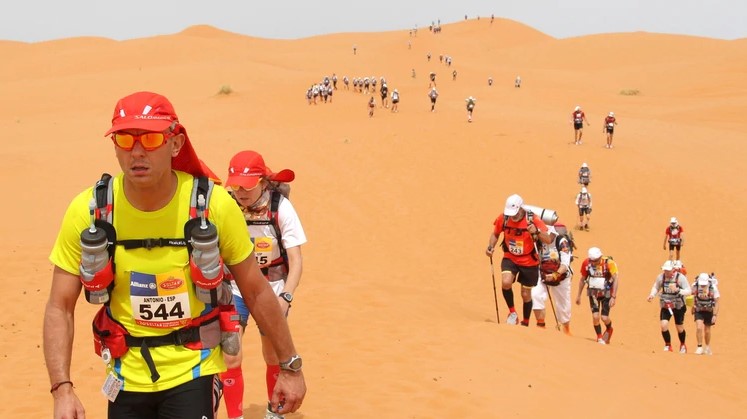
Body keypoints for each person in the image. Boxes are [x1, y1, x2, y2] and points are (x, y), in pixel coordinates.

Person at [43, 91, 306, 418]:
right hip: (125, 376)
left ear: (176, 144)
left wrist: (290, 366)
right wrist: (61, 389)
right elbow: (59, 306)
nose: (137, 151)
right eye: (125, 139)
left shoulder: (213, 206)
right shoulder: (90, 212)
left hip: (193, 369)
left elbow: (255, 289)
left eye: (150, 138)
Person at [224, 151, 307, 419]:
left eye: (246, 185)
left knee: (273, 356)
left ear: (262, 181)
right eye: (235, 185)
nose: (240, 192)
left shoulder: (280, 207)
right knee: (230, 355)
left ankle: (275, 413)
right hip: (235, 289)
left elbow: (295, 261)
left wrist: (286, 295)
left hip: (272, 291)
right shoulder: (226, 206)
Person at [486, 194, 553, 326]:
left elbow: (548, 239)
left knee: (525, 294)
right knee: (506, 282)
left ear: (521, 208)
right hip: (510, 257)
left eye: (515, 214)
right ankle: (512, 313)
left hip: (529, 261)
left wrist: (537, 231)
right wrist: (490, 246)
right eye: (511, 214)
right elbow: (495, 234)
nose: (513, 217)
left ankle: (525, 322)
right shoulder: (504, 218)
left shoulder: (533, 219)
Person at [531, 225, 573, 334]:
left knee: (563, 306)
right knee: (535, 294)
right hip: (543, 274)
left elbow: (565, 264)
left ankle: (566, 329)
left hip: (561, 277)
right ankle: (540, 325)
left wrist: (555, 275)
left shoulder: (562, 242)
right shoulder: (537, 240)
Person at [575, 247, 619, 344]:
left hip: (606, 292)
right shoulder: (586, 263)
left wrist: (613, 296)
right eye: (592, 260)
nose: (594, 262)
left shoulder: (609, 263)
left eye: (596, 260)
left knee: (604, 317)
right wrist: (578, 295)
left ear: (600, 257)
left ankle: (609, 329)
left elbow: (615, 279)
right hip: (592, 291)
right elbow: (582, 279)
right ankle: (599, 337)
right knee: (595, 316)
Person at [647, 260, 691, 353]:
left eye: (668, 270)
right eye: (665, 270)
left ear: (673, 270)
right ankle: (668, 345)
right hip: (666, 305)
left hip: (678, 305)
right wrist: (652, 295)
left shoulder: (680, 278)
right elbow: (656, 287)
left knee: (679, 327)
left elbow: (688, 291)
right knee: (664, 325)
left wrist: (678, 290)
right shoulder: (661, 277)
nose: (666, 272)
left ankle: (682, 344)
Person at [691, 273, 720, 355]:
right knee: (699, 327)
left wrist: (714, 315)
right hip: (699, 310)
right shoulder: (695, 286)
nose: (703, 286)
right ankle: (699, 347)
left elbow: (717, 302)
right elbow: (692, 296)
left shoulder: (713, 288)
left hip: (709, 310)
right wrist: (692, 307)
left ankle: (707, 347)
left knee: (707, 330)